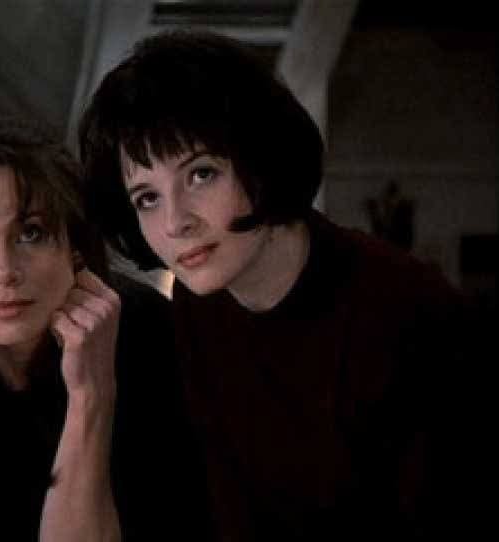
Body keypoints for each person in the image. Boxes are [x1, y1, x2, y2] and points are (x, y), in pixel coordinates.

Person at [79, 29, 476, 540]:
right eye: (147, 198)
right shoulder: (199, 306)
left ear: (261, 159)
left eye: (201, 174)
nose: (176, 222)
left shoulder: (410, 312)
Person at [0, 117, 201, 541]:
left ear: (76, 249)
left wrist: (91, 394)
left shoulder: (147, 327)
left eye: (31, 233)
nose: (5, 271)